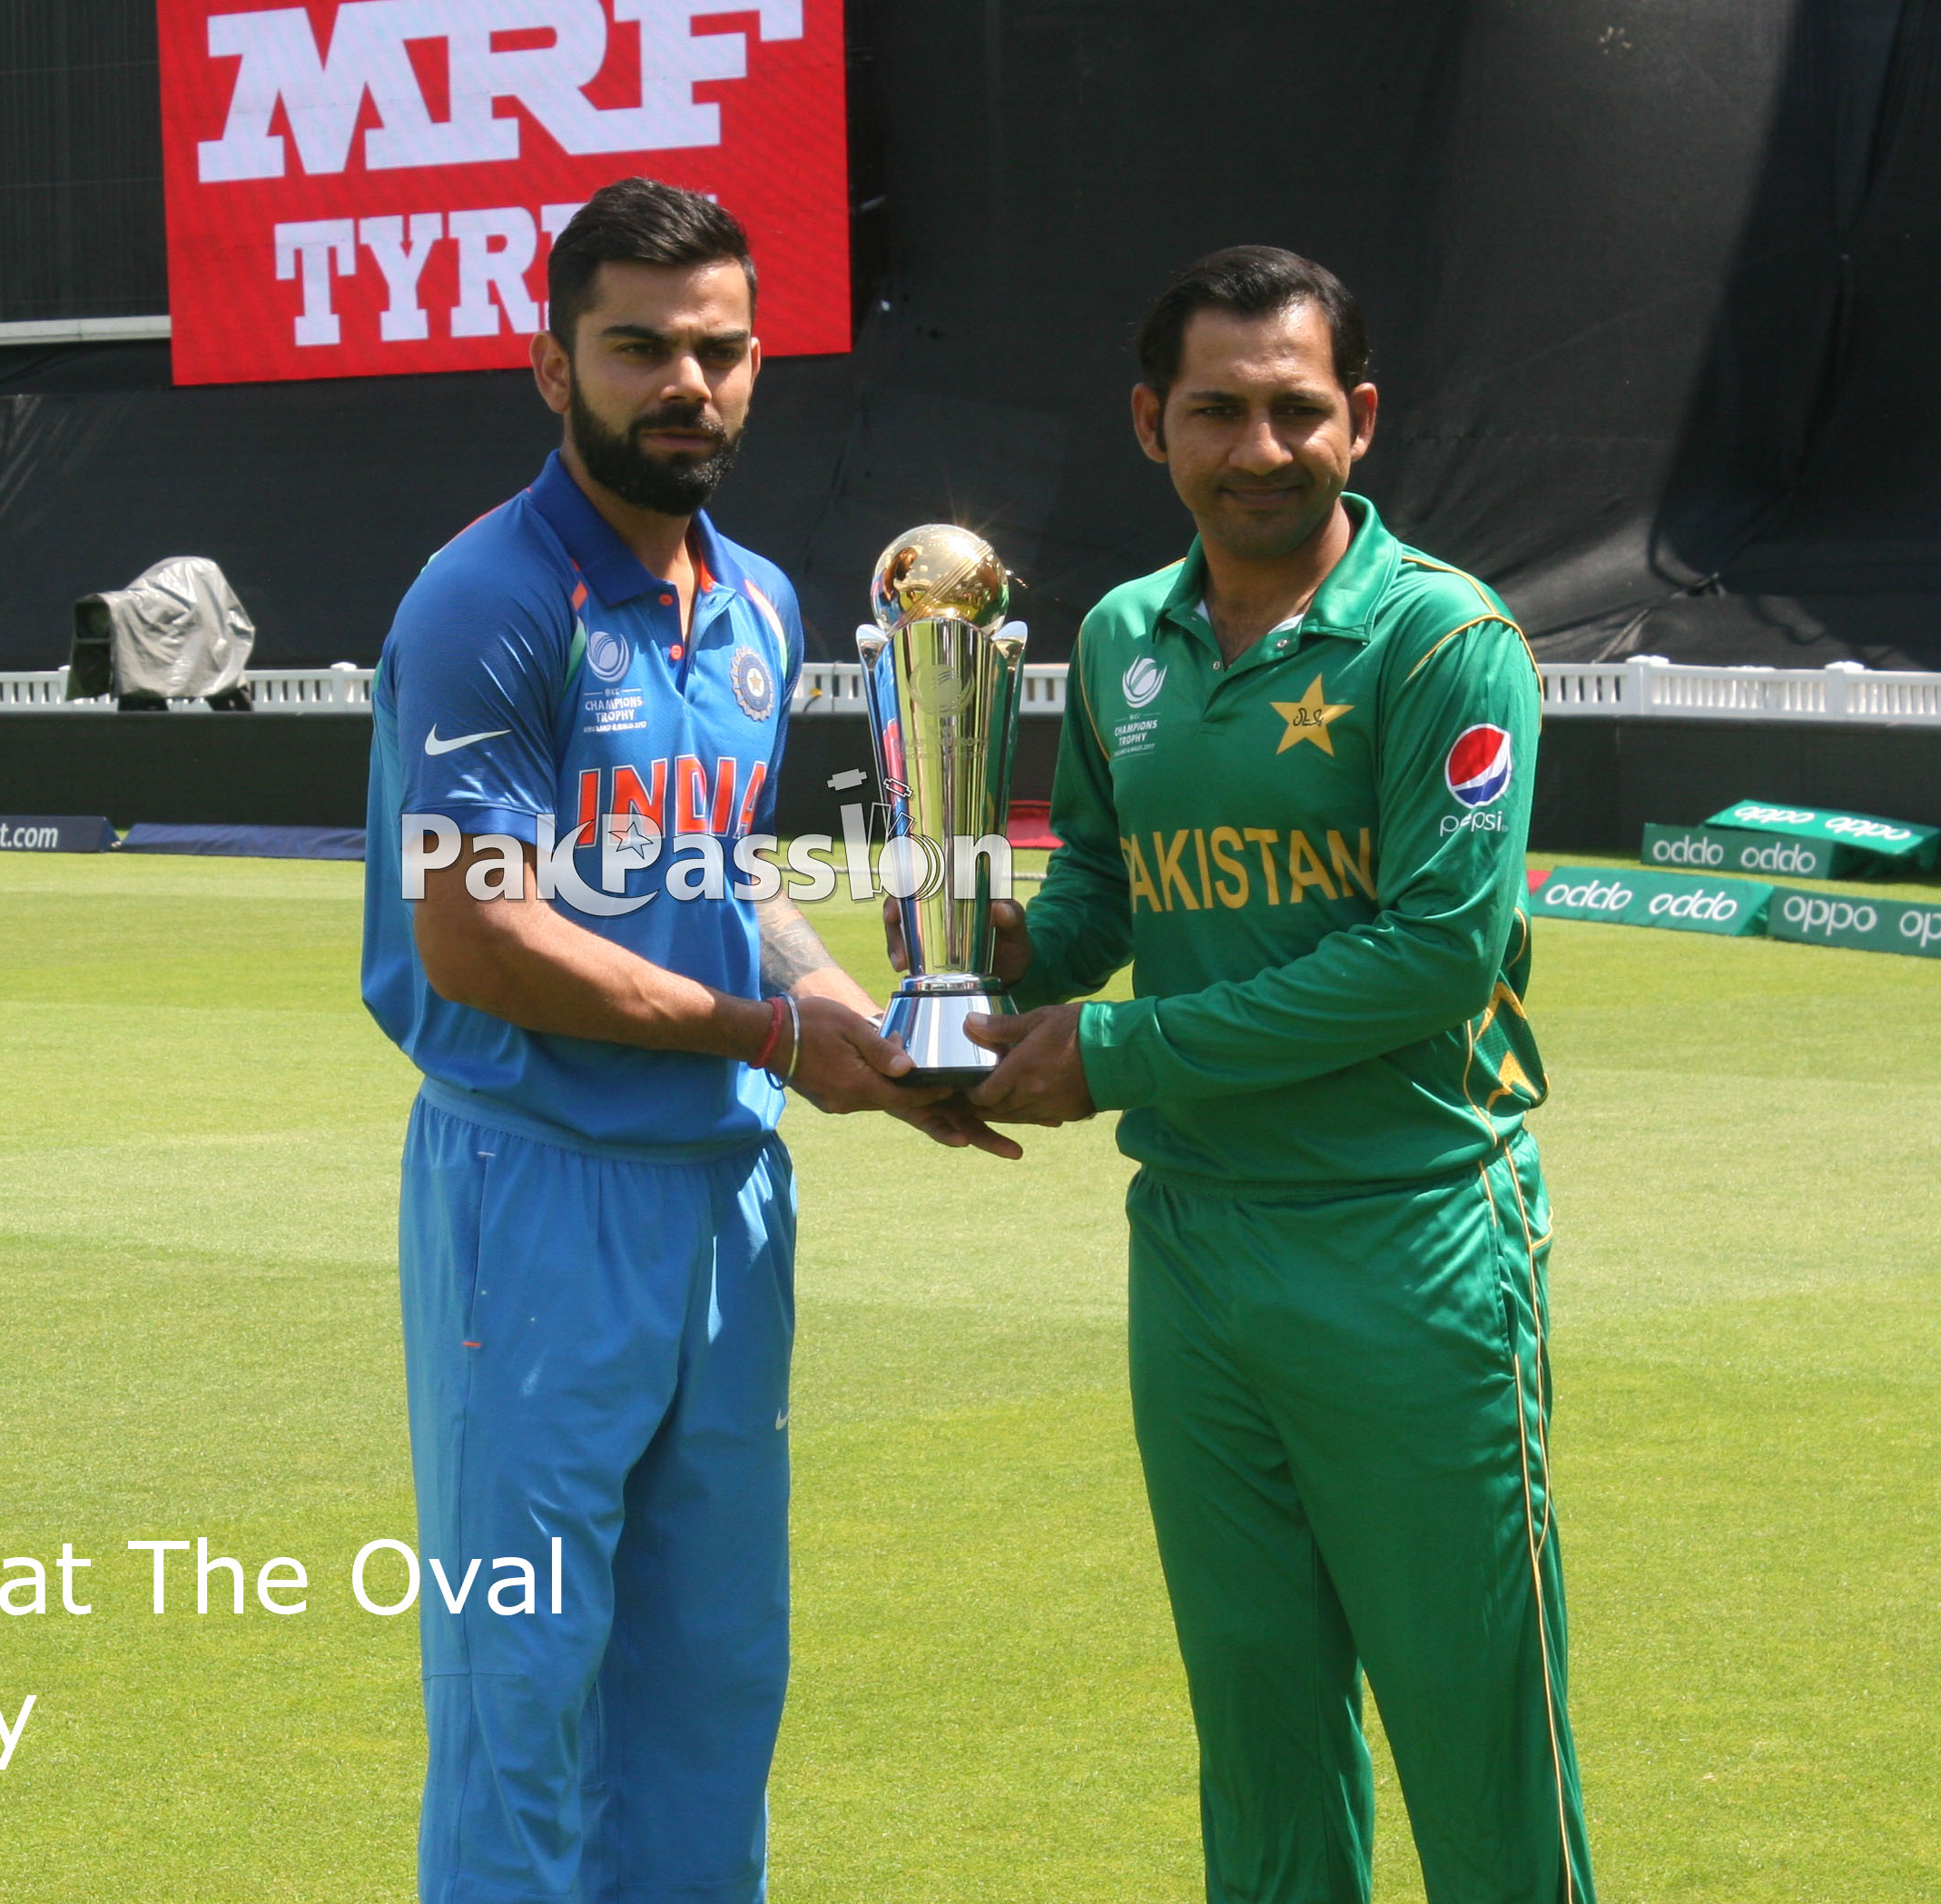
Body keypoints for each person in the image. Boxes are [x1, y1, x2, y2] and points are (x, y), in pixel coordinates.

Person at [360, 177, 1010, 1904]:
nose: (685, 385)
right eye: (638, 347)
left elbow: (724, 883)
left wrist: (877, 1035)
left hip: (726, 1197)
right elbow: (477, 932)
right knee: (527, 1677)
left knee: (715, 1671)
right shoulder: (485, 602)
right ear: (549, 365)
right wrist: (773, 1033)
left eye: (718, 351)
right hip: (537, 1190)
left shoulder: (764, 603)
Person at [961, 246, 1591, 1903]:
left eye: (1297, 409)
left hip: (1407, 1242)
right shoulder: (1121, 640)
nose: (1261, 448)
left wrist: (1110, 1047)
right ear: (1150, 425)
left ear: (1360, 420)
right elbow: (1105, 886)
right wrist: (994, 964)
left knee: (1475, 1727)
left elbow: (1435, 954)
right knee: (1255, 1722)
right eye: (1218, 411)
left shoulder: (1443, 639)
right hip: (1197, 1242)